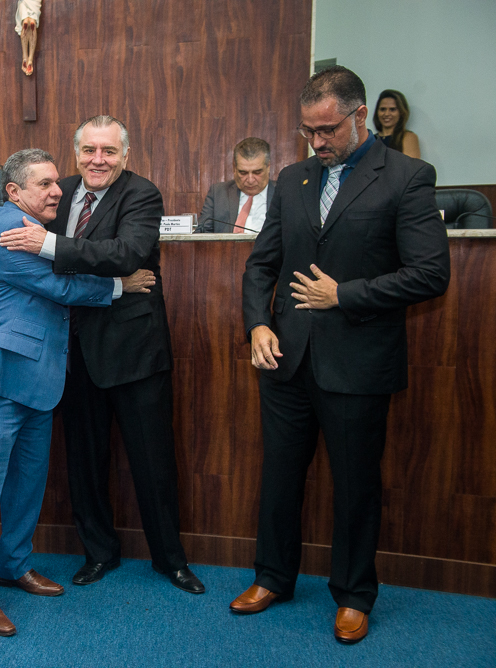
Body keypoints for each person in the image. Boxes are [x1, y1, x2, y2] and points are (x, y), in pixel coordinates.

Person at [234, 66, 449, 643]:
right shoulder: (294, 177)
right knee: (280, 475)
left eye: (327, 130)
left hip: (358, 361)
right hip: (286, 359)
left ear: (359, 116)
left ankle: (354, 594)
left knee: (355, 484)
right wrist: (258, 324)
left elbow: (431, 274)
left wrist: (344, 295)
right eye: (308, 132)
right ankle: (273, 576)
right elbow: (261, 264)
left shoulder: (406, 176)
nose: (317, 142)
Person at [0, 148, 155, 637]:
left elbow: (59, 267)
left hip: (35, 382)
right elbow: (59, 284)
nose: (57, 190)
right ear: (14, 191)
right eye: (43, 184)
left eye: (54, 182)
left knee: (27, 484)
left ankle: (12, 565)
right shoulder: (7, 229)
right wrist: (119, 286)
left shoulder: (39, 231)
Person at [0, 115, 204, 595]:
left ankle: (170, 561)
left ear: (124, 155)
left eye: (108, 151)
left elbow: (127, 252)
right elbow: (17, 228)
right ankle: (99, 554)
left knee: (152, 463)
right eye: (89, 150)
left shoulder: (142, 194)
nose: (98, 159)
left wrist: (50, 244)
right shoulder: (59, 190)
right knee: (85, 464)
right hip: (72, 354)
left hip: (133, 351)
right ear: (76, 153)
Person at [195, 137, 277, 233]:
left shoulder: (284, 193)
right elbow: (202, 233)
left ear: (268, 167)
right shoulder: (218, 193)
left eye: (257, 172)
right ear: (234, 168)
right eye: (243, 173)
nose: (250, 180)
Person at [373, 89, 420, 159]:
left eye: (392, 109)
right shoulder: (371, 139)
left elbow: (411, 168)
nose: (386, 114)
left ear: (401, 112)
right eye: (383, 109)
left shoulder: (408, 137)